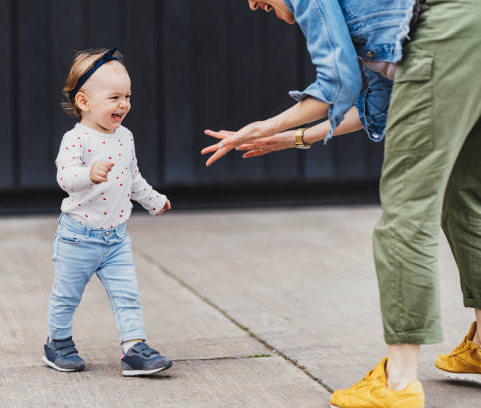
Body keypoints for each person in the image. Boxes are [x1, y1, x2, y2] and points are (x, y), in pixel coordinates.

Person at [202, 0, 481, 407]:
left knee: (407, 206)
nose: (252, 3)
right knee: (464, 195)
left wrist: (268, 124)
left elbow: (337, 82)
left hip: (445, 34)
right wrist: (296, 138)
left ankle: (399, 382)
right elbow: (383, 103)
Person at [44, 48, 172, 377]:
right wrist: (89, 174)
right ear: (84, 102)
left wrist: (153, 199)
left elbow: (132, 178)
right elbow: (64, 178)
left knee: (127, 295)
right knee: (67, 295)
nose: (123, 104)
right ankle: (57, 342)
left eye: (127, 96)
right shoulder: (76, 140)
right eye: (114, 96)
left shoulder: (124, 137)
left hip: (115, 239)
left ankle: (134, 349)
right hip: (77, 237)